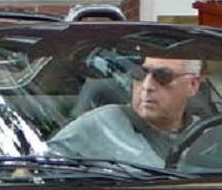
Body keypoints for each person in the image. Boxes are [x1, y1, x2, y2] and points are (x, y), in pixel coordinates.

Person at [49, 58, 203, 166]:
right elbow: (34, 172)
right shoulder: (100, 125)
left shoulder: (208, 136)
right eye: (140, 73)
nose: (147, 86)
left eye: (163, 77)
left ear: (193, 85)